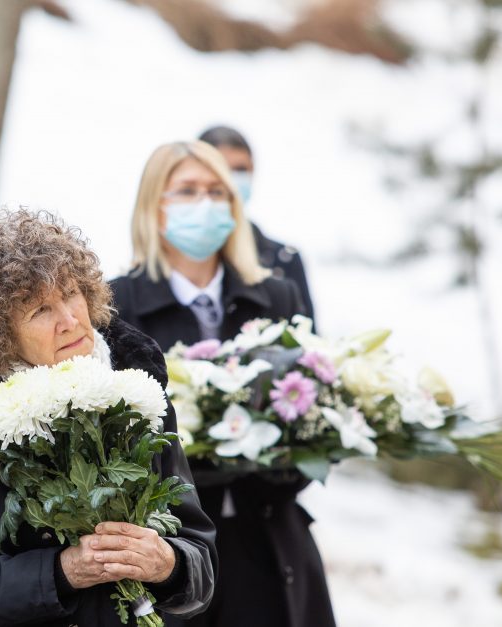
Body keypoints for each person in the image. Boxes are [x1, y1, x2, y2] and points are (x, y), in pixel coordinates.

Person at [0, 210, 217, 626]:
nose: (69, 321)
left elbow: (200, 562)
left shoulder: (139, 401)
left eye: (71, 293)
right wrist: (59, 573)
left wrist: (167, 564)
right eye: (39, 311)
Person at [110, 141, 335, 627]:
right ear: (154, 206)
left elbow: (318, 407)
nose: (205, 204)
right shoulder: (116, 306)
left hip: (269, 544)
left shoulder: (276, 295)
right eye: (187, 191)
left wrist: (280, 457)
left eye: (217, 191)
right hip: (171, 558)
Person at [198, 126, 316, 328]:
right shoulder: (182, 256)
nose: (232, 179)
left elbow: (308, 342)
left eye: (241, 170)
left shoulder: (284, 258)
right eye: (223, 169)